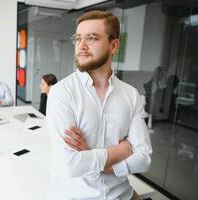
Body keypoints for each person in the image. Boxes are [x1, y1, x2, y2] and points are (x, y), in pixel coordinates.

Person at [46, 11, 152, 200]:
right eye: (78, 39)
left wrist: (93, 158)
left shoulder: (130, 95)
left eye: (91, 38)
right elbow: (70, 165)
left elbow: (144, 159)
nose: (81, 46)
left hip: (122, 195)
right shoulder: (62, 92)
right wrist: (120, 151)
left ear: (113, 45)